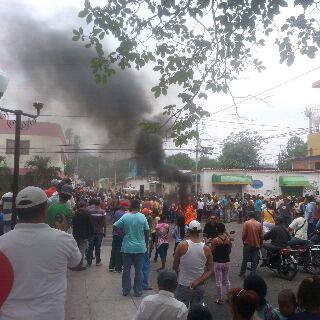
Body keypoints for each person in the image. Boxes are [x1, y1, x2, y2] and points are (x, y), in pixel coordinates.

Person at [0, 186, 81, 320]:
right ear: (45, 210)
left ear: (18, 212)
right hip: (51, 315)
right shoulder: (64, 239)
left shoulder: (2, 243)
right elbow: (76, 263)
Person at [114, 199, 149, 297]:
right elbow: (147, 232)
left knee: (126, 270)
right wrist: (146, 245)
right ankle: (137, 291)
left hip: (127, 248)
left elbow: (115, 226)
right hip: (140, 248)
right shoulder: (142, 217)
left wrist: (122, 235)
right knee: (139, 270)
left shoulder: (125, 216)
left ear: (130, 207)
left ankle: (126, 290)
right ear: (138, 207)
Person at [173, 220, 213, 307]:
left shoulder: (181, 245)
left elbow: (175, 266)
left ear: (188, 231)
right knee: (196, 311)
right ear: (200, 232)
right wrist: (197, 281)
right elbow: (210, 271)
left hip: (183, 284)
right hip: (199, 285)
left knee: (181, 310)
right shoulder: (206, 249)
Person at [211, 222, 232, 305]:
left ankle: (220, 299)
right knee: (226, 280)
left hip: (218, 262)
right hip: (226, 261)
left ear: (217, 230)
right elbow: (229, 250)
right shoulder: (228, 240)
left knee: (218, 281)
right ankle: (229, 298)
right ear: (224, 230)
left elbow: (212, 251)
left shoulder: (215, 240)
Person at [239, 212, 263, 277]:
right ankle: (253, 273)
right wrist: (261, 244)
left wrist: (243, 240)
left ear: (249, 216)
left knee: (245, 259)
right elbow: (261, 236)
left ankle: (242, 272)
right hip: (256, 244)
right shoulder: (259, 224)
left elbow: (244, 235)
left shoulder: (246, 223)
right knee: (255, 260)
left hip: (247, 244)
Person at [72, 199, 94, 270]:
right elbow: (90, 225)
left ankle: (75, 264)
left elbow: (72, 224)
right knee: (81, 250)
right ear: (84, 206)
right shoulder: (87, 214)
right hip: (84, 235)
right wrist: (91, 233)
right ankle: (79, 265)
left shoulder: (75, 214)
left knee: (76, 249)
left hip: (75, 234)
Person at [109, 200, 128, 272]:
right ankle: (118, 268)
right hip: (121, 234)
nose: (127, 207)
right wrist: (123, 234)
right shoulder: (124, 214)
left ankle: (111, 266)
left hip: (115, 234)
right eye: (126, 206)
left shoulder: (116, 212)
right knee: (119, 252)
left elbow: (114, 223)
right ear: (123, 206)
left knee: (114, 250)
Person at [86, 198, 106, 267]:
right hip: (99, 232)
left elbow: (88, 222)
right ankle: (98, 261)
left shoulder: (89, 211)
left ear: (94, 203)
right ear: (99, 203)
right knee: (98, 247)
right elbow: (104, 223)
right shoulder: (103, 212)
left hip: (91, 232)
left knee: (90, 247)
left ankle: (89, 262)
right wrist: (104, 231)